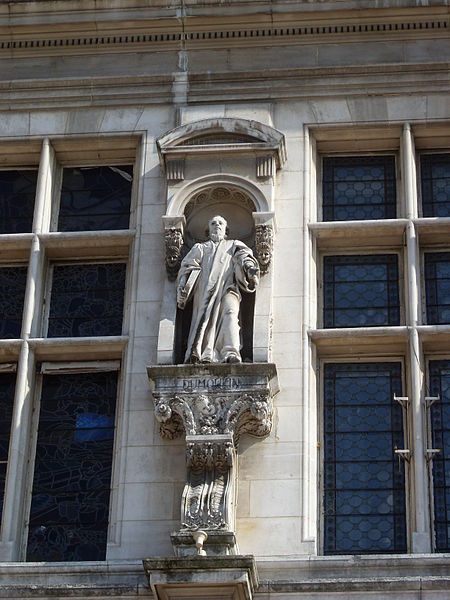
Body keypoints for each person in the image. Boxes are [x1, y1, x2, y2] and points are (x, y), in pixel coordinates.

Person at [177, 215, 259, 364]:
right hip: (203, 293)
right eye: (213, 223)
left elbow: (244, 257)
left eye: (220, 223)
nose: (217, 225)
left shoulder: (233, 245)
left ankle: (231, 353)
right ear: (208, 229)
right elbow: (187, 266)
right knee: (205, 321)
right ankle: (206, 353)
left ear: (226, 230)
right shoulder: (200, 248)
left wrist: (249, 268)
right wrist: (183, 284)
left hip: (228, 288)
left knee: (231, 313)